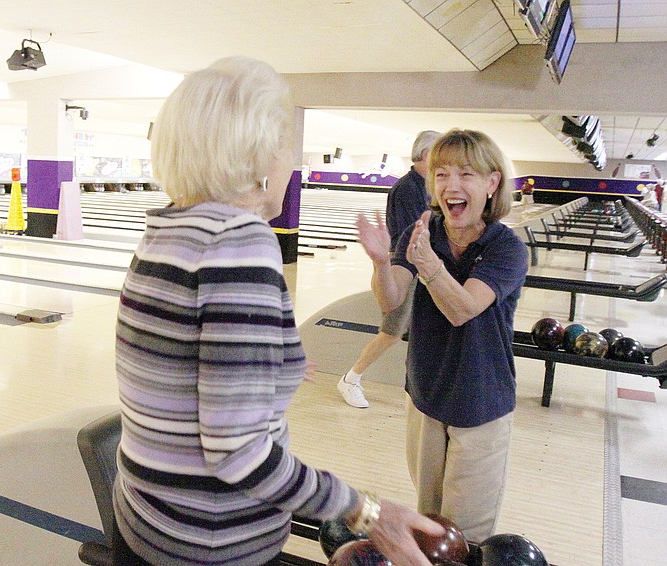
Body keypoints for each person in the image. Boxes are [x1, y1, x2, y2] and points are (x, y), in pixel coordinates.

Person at [112, 56, 444, 566]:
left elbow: (179, 365)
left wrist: (271, 363)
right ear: (262, 155)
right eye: (288, 141)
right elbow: (237, 455)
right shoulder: (239, 244)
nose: (293, 157)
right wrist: (367, 512)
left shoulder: (167, 231)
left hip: (147, 519)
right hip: (211, 543)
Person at [355, 129, 528, 542]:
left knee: (463, 535)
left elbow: (463, 309)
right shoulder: (423, 231)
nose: (452, 185)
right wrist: (381, 263)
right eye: (442, 173)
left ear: (492, 183)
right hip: (426, 395)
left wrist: (430, 265)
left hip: (481, 403)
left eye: (466, 173)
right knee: (429, 523)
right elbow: (391, 299)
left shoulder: (506, 247)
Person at [338, 130, 441, 408]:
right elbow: (411, 236)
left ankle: (417, 388)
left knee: (420, 330)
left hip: (421, 263)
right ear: (424, 154)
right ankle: (350, 379)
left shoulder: (427, 184)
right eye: (438, 153)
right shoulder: (408, 187)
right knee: (392, 331)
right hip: (404, 265)